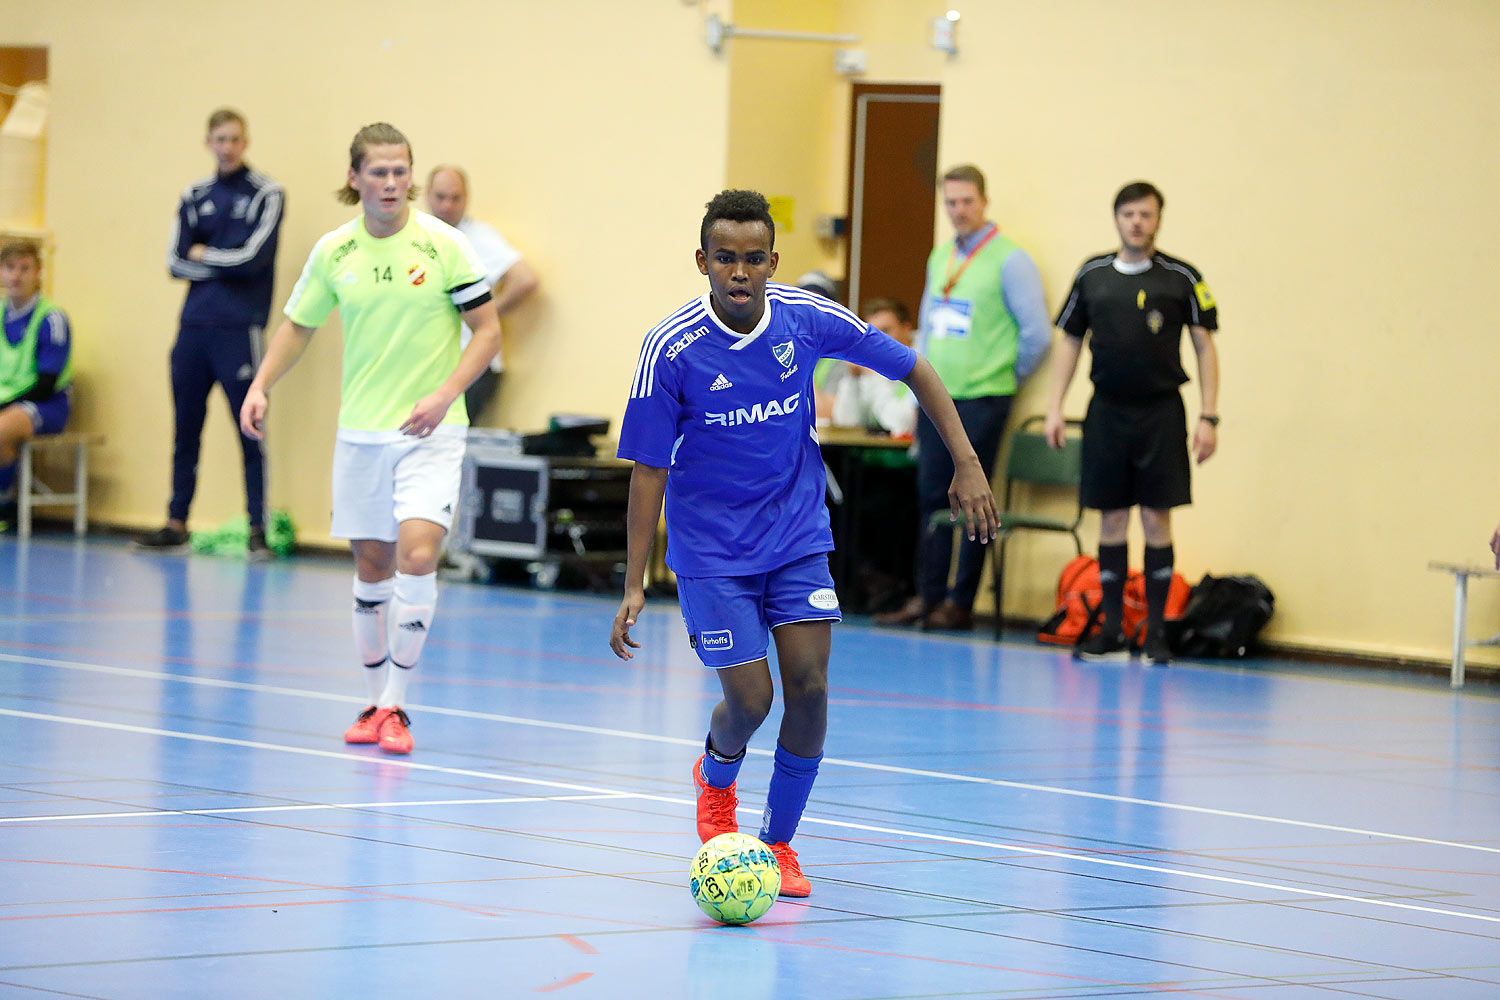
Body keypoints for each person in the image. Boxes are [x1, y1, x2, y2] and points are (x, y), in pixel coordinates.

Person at [608, 190, 996, 897]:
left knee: (811, 691)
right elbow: (648, 471)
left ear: (773, 262)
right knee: (751, 701)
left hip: (794, 535)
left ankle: (778, 844)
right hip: (712, 552)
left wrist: (966, 462)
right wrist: (635, 582)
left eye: (754, 258)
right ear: (703, 261)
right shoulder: (671, 349)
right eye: (725, 258)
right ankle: (716, 773)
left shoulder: (805, 318)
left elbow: (915, 368)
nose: (740, 272)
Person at [239, 123, 500, 754]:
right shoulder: (335, 251)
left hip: (431, 432)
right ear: (354, 178)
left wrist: (443, 395)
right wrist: (261, 385)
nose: (391, 183)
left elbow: (488, 332)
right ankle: (370, 700)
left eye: (401, 170)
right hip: (360, 436)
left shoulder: (444, 247)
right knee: (372, 565)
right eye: (378, 172)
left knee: (416, 554)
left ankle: (396, 706)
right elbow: (297, 326)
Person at [1044, 180, 1220, 666]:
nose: (1137, 222)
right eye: (1129, 214)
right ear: (1116, 219)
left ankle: (1157, 634)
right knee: (1113, 516)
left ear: (1158, 219)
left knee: (1155, 516)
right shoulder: (1092, 274)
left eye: (1146, 214)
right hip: (1107, 411)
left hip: (1162, 411)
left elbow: (1205, 345)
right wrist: (1056, 405)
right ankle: (1114, 630)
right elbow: (1070, 341)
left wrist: (1209, 416)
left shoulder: (1182, 277)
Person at [875, 164, 1051, 631]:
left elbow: (1037, 335)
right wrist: (916, 385)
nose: (958, 211)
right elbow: (929, 326)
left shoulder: (1011, 260)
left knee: (974, 496)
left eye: (967, 201)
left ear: (984, 201)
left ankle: (961, 602)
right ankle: (927, 596)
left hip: (984, 398)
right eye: (951, 202)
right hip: (939, 397)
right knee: (931, 495)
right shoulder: (941, 257)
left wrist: (1000, 375)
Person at [137, 108, 284, 559]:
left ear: (246, 142)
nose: (227, 146)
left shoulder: (267, 194)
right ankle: (176, 523)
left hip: (239, 330)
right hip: (193, 329)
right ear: (208, 143)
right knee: (185, 429)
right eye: (219, 139)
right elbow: (174, 261)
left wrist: (206, 255)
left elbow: (253, 260)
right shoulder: (193, 194)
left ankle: (258, 529)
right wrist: (221, 259)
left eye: (235, 138)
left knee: (249, 430)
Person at [424, 165, 538, 423]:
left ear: (467, 198)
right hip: (432, 362)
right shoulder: (419, 238)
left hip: (472, 361)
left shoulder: (478, 238)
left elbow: (525, 279)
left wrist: (484, 316)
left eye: (456, 198)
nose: (447, 205)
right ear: (427, 196)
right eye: (441, 197)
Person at [0, 240, 71, 531]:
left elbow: (46, 384)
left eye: (25, 268)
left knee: (2, 428)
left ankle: (4, 503)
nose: (16, 276)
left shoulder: (51, 318)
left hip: (46, 404)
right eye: (9, 268)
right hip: (6, 403)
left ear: (39, 272)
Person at [826, 298, 918, 435]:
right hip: (868, 453)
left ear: (906, 329)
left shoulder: (920, 366)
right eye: (873, 334)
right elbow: (845, 423)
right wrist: (853, 380)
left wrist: (874, 376)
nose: (879, 340)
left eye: (886, 330)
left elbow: (901, 426)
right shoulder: (871, 364)